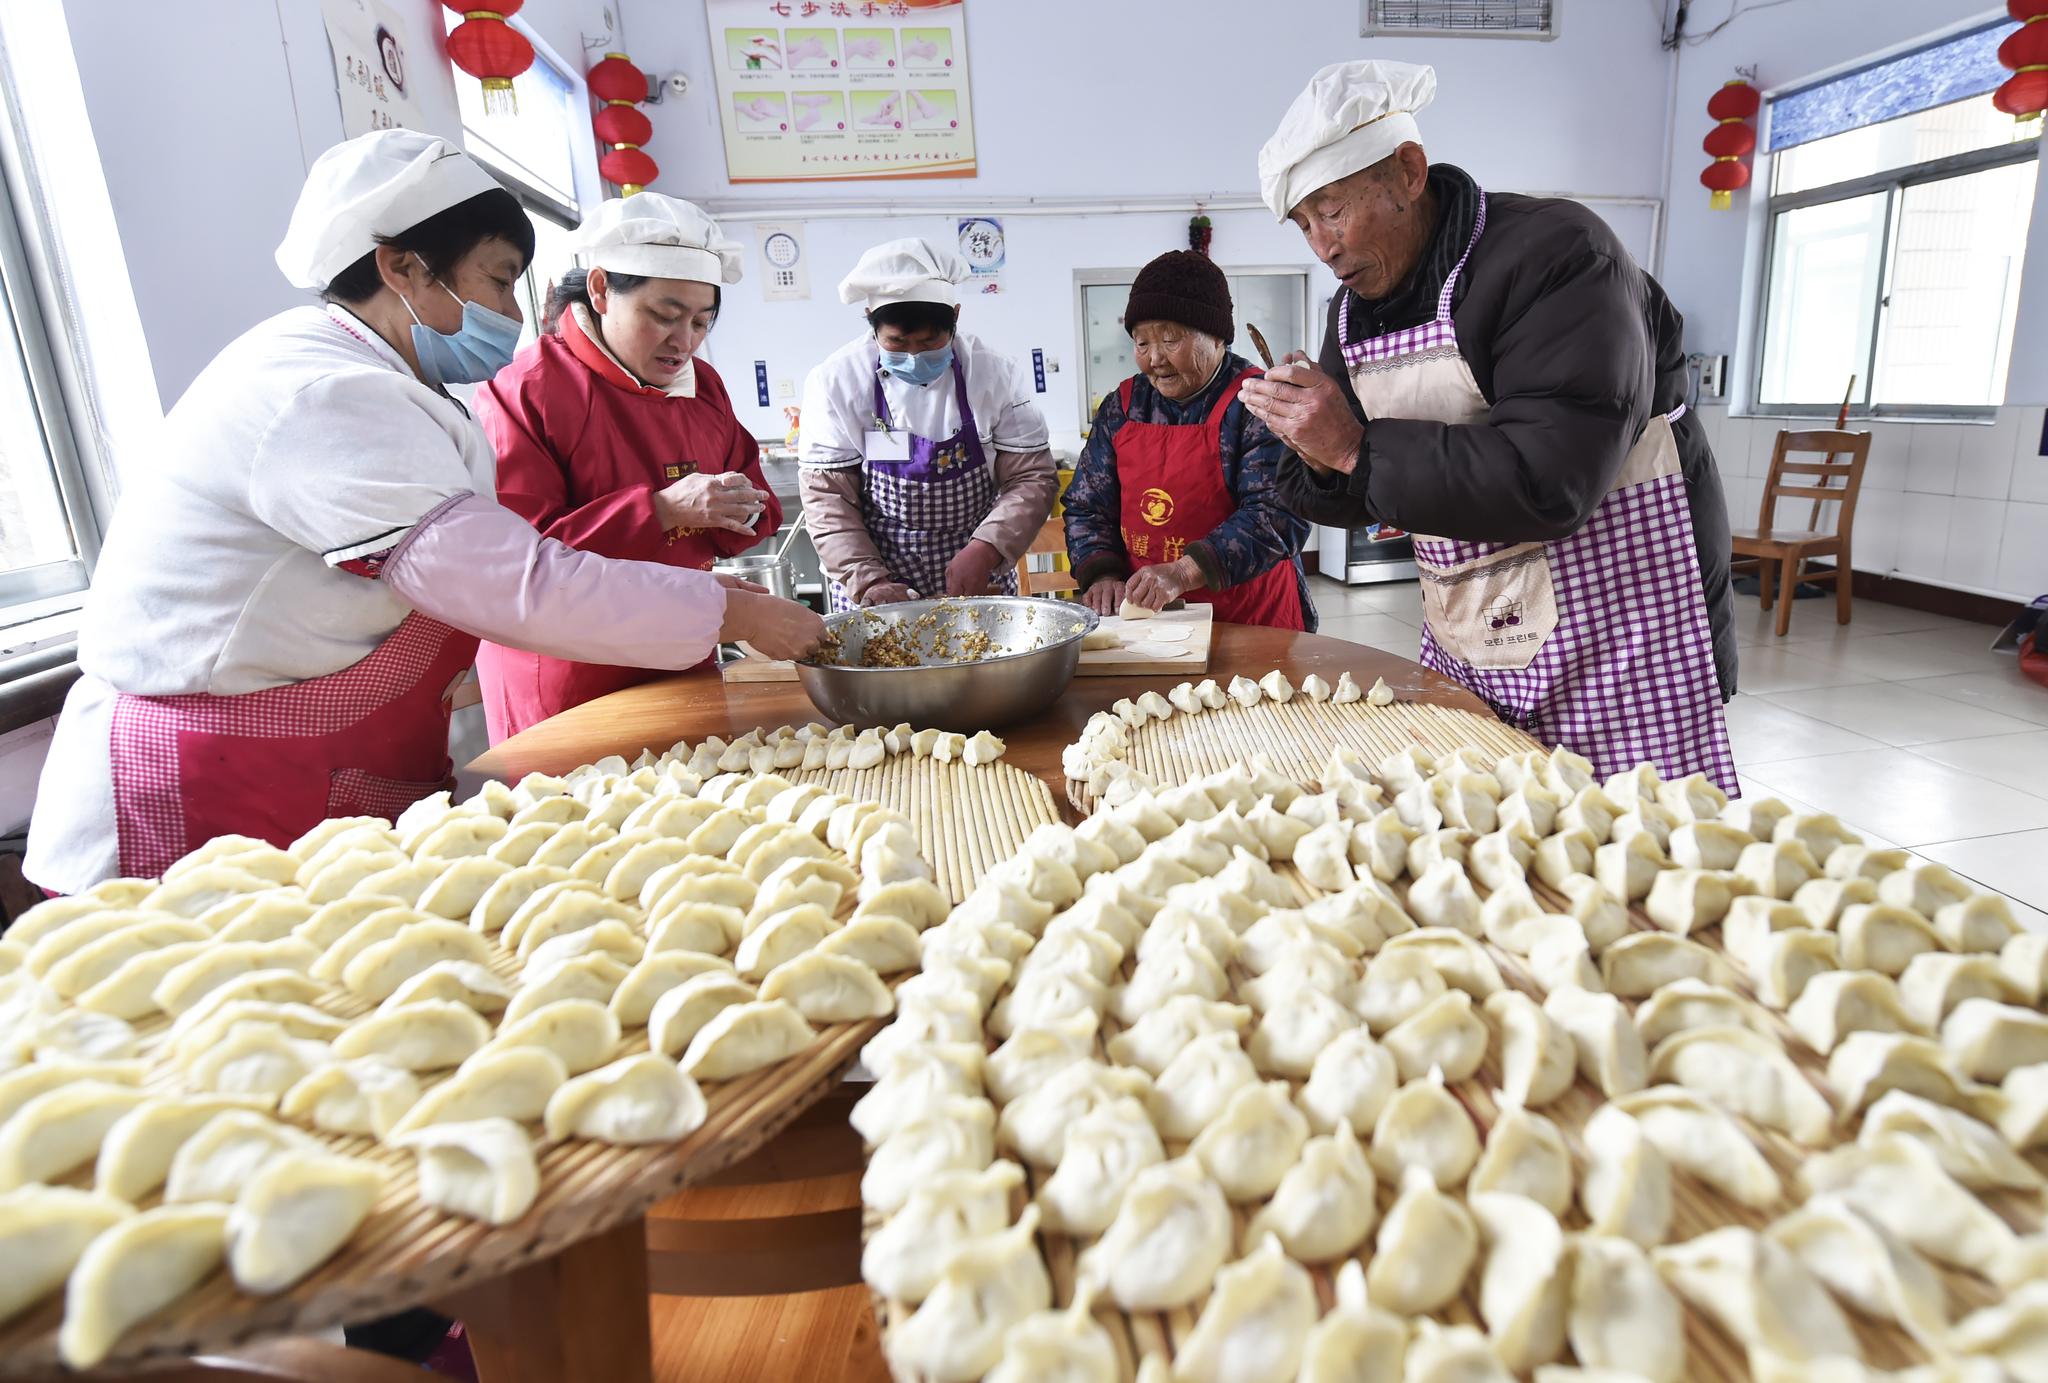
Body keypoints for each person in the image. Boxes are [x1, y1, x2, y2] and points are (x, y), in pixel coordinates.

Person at [24, 129, 822, 892]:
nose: (511, 313)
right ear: (402, 266)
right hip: (209, 784)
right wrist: (723, 609)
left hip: (324, 758)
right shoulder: (324, 394)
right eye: (498, 279)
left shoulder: (391, 388)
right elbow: (521, 580)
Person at [1244, 60, 1737, 789]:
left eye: (1334, 209)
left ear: (1410, 171)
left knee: (1637, 860)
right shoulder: (1351, 314)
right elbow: (1344, 493)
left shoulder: (1560, 256)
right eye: (1304, 222)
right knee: (1497, 849)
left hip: (1620, 630)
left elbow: (1552, 482)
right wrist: (1313, 447)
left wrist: (1352, 445)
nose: (1322, 245)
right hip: (1478, 630)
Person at [471, 194, 783, 743]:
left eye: (700, 322)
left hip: (679, 649)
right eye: (662, 316)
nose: (682, 341)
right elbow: (521, 562)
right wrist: (662, 509)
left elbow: (756, 501)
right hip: (572, 676)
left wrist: (740, 510)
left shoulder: (702, 387)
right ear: (599, 291)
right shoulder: (528, 391)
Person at [1062, 250, 1315, 630]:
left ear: (1216, 337)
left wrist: (1183, 572)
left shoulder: (1258, 401)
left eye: (1169, 338)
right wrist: (1101, 574)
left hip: (1251, 617)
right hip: (1149, 617)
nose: (1154, 359)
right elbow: (1087, 506)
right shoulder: (1124, 406)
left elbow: (1276, 514)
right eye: (1142, 343)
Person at [798, 237, 1056, 609]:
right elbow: (828, 497)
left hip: (975, 572)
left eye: (931, 341)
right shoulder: (836, 382)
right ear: (872, 324)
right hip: (878, 579)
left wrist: (988, 547)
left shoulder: (994, 372)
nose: (915, 356)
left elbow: (1031, 478)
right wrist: (868, 578)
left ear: (955, 316)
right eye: (898, 343)